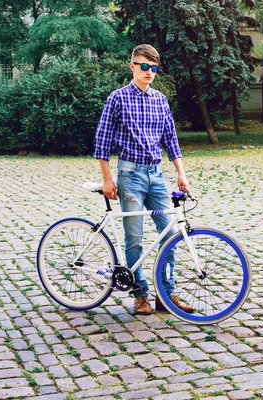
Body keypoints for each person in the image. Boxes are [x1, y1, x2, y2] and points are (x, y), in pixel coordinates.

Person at [93, 44, 194, 315]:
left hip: (156, 175)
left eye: (154, 68)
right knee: (134, 237)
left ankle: (166, 294)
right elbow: (101, 141)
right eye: (144, 66)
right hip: (130, 175)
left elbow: (170, 139)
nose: (149, 72)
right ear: (133, 67)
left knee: (170, 233)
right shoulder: (118, 98)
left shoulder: (160, 100)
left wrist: (181, 173)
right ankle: (140, 296)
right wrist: (107, 179)